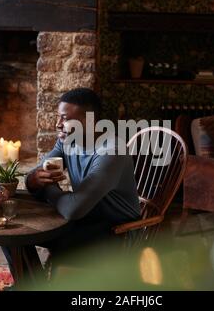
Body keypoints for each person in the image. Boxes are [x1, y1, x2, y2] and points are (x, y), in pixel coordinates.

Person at [24, 88, 140, 260]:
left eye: (66, 118)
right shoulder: (66, 142)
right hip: (87, 218)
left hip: (117, 230)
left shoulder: (111, 152)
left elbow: (72, 210)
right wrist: (34, 179)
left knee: (57, 243)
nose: (57, 124)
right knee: (16, 236)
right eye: (58, 116)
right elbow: (34, 176)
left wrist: (47, 188)